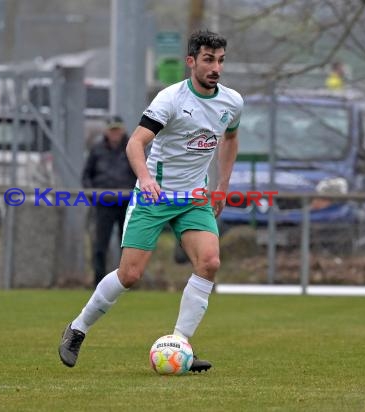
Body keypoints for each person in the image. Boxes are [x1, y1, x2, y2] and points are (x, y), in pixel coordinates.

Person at [59, 29, 243, 372]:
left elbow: (230, 140)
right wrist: (145, 179)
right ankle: (77, 328)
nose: (215, 67)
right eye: (208, 60)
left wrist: (222, 186)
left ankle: (180, 345)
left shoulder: (231, 102)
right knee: (130, 275)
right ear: (191, 62)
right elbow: (135, 143)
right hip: (153, 198)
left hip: (193, 199)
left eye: (220, 60)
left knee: (210, 262)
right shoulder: (170, 99)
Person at [82, 115, 137, 286]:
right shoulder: (97, 150)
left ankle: (125, 280)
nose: (115, 133)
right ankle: (98, 281)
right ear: (107, 131)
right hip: (104, 203)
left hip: (126, 203)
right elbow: (86, 176)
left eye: (118, 130)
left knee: (127, 244)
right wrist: (93, 196)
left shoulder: (132, 148)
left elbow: (140, 172)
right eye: (112, 130)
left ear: (123, 130)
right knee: (100, 244)